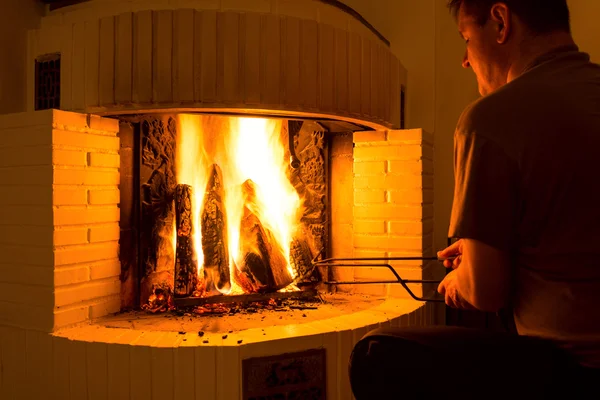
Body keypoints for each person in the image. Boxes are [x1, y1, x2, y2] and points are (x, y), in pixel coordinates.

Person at [349, 0, 600, 398]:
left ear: (500, 22)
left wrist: (459, 280)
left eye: (467, 39)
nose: (465, 60)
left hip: (573, 369)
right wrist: (483, 250)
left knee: (375, 354)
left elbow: (485, 292)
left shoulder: (490, 118)